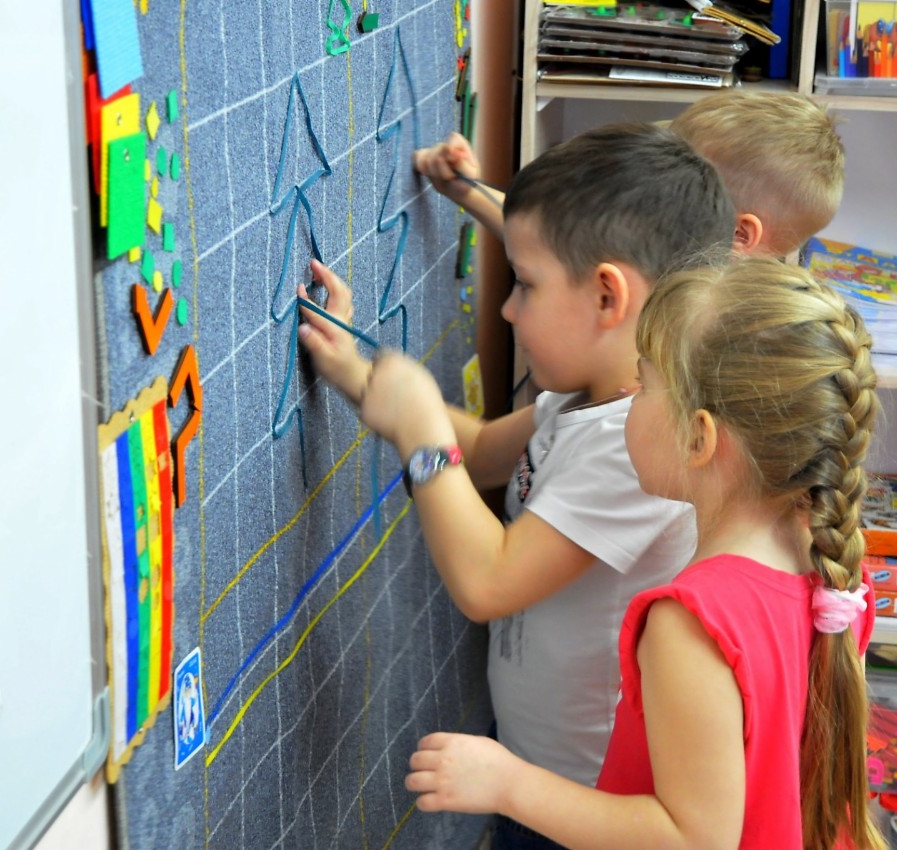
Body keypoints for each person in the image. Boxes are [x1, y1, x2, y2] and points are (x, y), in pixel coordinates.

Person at [299, 123, 735, 849]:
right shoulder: (587, 397)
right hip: (539, 770)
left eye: (525, 286)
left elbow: (487, 581)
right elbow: (477, 452)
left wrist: (420, 432)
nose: (507, 308)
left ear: (608, 297)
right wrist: (353, 369)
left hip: (584, 810)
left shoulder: (638, 448)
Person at [402, 258, 887, 850]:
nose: (628, 396)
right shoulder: (836, 572)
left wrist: (509, 784)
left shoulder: (692, 622)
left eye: (644, 383)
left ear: (699, 437)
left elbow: (693, 840)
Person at [414, 89, 844, 258]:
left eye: (676, 171)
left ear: (738, 233)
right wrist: (465, 189)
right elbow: (553, 239)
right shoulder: (677, 243)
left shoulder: (698, 318)